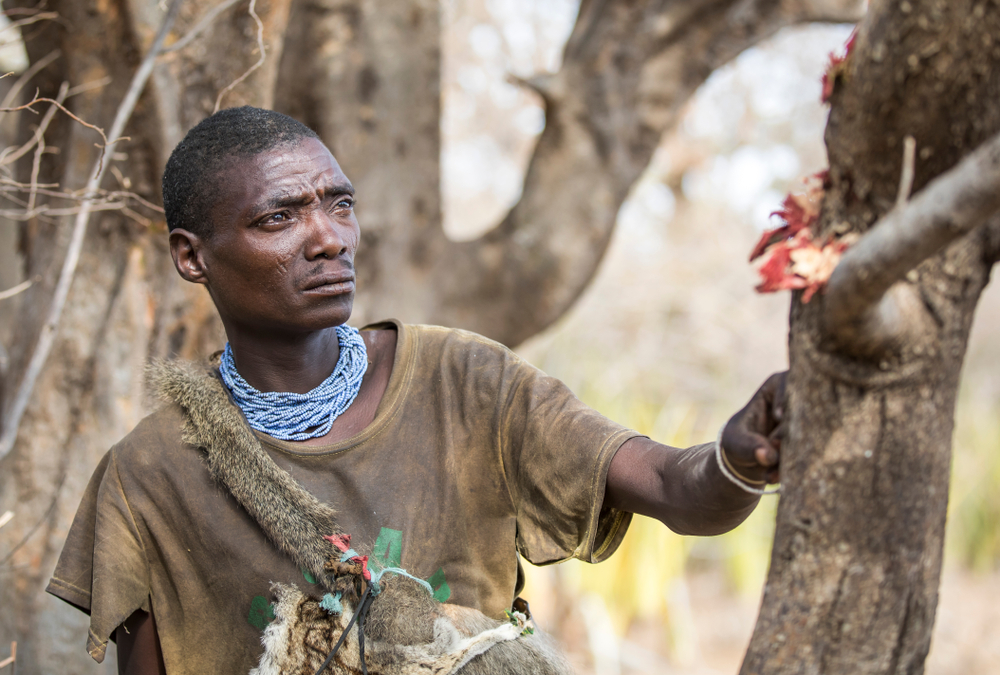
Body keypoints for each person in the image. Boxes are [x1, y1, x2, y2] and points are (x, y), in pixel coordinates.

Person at [46, 107, 785, 675]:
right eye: (279, 216)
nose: (329, 237)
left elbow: (672, 485)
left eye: (338, 204)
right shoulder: (149, 474)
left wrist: (737, 457)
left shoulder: (467, 384)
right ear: (191, 256)